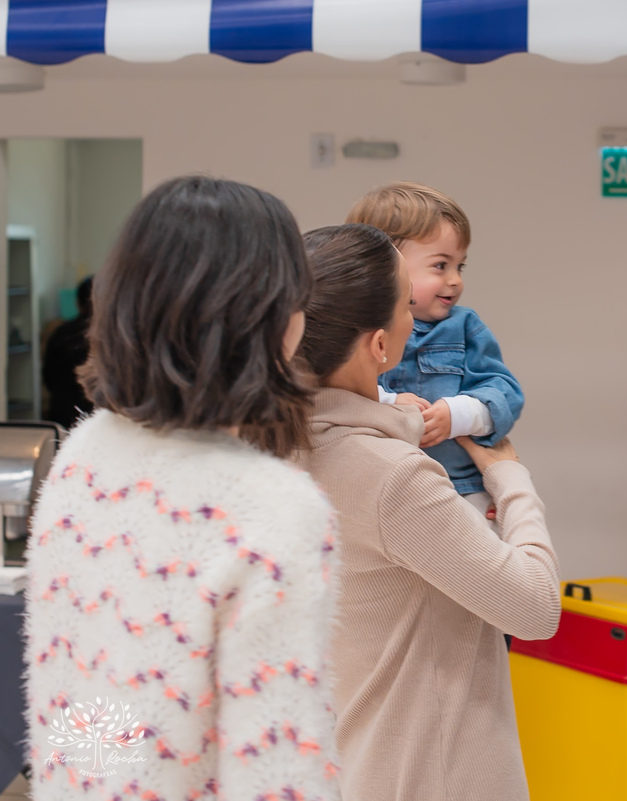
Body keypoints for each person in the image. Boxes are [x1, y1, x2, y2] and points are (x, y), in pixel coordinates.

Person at [24, 177, 341, 801]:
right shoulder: (272, 507)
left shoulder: (83, 455)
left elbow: (81, 696)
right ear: (266, 318)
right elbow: (276, 772)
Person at [296, 223, 560, 801]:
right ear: (380, 347)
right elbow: (536, 609)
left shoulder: (281, 451)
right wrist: (510, 476)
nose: (417, 321)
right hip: (430, 775)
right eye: (403, 306)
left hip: (351, 766)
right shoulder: (390, 476)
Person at [345, 182, 523, 521]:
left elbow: (506, 394)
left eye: (460, 266)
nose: (455, 280)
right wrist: (388, 404)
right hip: (381, 489)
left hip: (460, 487)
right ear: (386, 266)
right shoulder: (353, 328)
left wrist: (458, 414)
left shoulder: (464, 327)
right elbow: (334, 397)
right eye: (441, 265)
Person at [41, 276, 95, 430]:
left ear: (78, 304)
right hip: (95, 415)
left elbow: (48, 375)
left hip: (62, 413)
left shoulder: (60, 332)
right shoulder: (109, 336)